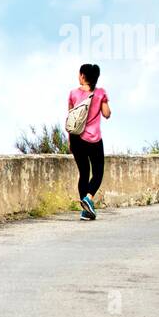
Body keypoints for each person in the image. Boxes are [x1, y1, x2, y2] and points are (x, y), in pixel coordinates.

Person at [68, 63, 110, 220]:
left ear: (83, 76)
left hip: (77, 139)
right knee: (98, 172)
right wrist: (104, 103)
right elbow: (106, 114)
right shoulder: (100, 93)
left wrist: (70, 142)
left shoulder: (72, 93)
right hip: (94, 140)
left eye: (79, 74)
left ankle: (85, 211)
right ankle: (88, 199)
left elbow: (70, 121)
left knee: (83, 173)